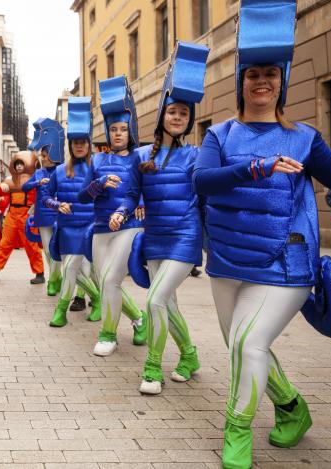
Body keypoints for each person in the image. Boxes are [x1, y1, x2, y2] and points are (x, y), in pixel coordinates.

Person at [192, 0, 331, 469]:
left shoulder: (305, 138)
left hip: (285, 260)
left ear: (282, 80)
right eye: (253, 74)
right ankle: (292, 408)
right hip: (229, 259)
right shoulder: (221, 134)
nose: (262, 82)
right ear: (241, 82)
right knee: (240, 346)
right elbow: (204, 182)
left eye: (270, 74)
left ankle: (237, 432)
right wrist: (255, 166)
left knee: (249, 342)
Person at [111, 41, 209, 396]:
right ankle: (189, 355)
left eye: (184, 113)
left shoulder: (198, 155)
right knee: (167, 303)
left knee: (153, 300)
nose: (178, 117)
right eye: (173, 112)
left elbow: (209, 192)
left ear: (189, 120)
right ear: (162, 116)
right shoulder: (140, 156)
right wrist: (122, 211)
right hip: (155, 236)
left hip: (185, 235)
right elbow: (129, 193)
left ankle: (152, 368)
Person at [78, 76, 147, 355]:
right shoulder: (95, 161)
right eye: (113, 129)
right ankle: (140, 319)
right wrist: (98, 184)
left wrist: (141, 202)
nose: (118, 133)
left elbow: (148, 186)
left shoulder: (140, 156)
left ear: (130, 130)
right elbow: (82, 196)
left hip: (129, 225)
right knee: (105, 281)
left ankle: (108, 334)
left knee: (109, 279)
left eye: (123, 129)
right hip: (99, 228)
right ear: (107, 132)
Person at [44, 98, 102, 326]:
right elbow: (46, 197)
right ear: (71, 146)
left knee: (76, 269)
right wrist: (58, 205)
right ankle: (96, 299)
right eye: (75, 142)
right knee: (75, 272)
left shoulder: (98, 167)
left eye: (83, 142)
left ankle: (62, 311)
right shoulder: (59, 171)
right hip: (68, 229)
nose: (79, 146)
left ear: (88, 144)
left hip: (91, 228)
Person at [0, 151, 45, 283]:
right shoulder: (10, 180)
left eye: (22, 164)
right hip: (12, 215)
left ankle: (39, 273)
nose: (19, 166)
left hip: (27, 215)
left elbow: (43, 196)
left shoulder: (35, 180)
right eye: (17, 164)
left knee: (32, 246)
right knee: (5, 244)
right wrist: (0, 186)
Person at [25, 118, 64, 296]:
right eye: (42, 156)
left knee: (57, 249)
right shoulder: (39, 172)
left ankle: (54, 280)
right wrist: (37, 183)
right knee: (48, 251)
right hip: (42, 216)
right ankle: (55, 278)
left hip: (58, 215)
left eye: (45, 155)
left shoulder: (61, 170)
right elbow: (24, 187)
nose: (43, 158)